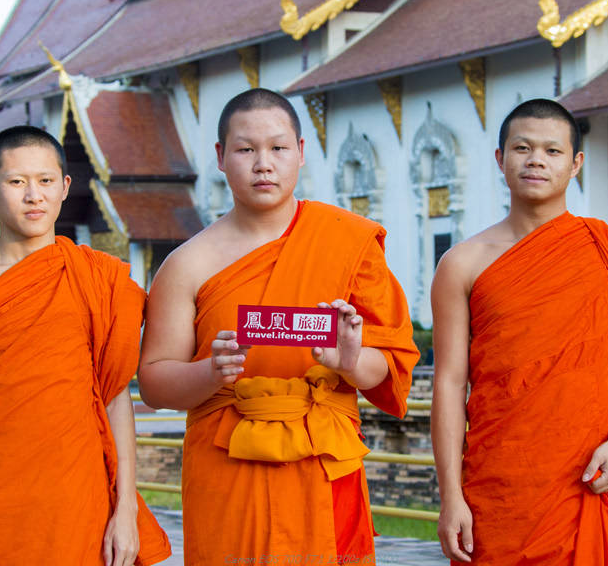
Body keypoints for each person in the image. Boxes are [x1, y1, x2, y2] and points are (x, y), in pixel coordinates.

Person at [138, 88, 419, 564]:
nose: (263, 164)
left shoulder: (347, 241)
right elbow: (154, 382)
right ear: (221, 157)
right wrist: (209, 372)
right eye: (246, 149)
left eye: (278, 148)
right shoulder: (186, 265)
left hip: (323, 460)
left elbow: (388, 370)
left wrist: (348, 360)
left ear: (302, 153)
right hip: (227, 457)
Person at [430, 99, 608, 565]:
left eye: (552, 151)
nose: (536, 159)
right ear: (500, 159)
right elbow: (449, 382)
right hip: (503, 483)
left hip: (593, 472)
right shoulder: (463, 263)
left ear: (575, 163)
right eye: (522, 148)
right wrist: (450, 496)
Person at [0, 126, 171, 566]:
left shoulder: (95, 277)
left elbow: (114, 396)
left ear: (64, 187)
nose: (33, 196)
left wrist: (127, 509)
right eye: (16, 182)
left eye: (45, 181)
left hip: (81, 492)